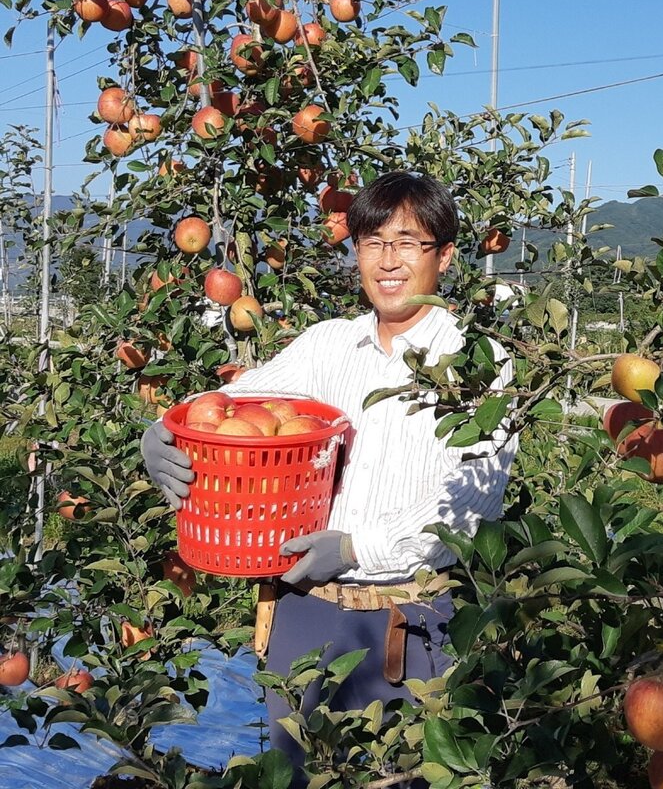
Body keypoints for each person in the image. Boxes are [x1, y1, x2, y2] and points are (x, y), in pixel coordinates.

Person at [141, 171, 518, 787]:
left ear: (444, 256)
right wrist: (169, 428)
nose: (388, 260)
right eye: (372, 241)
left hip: (411, 625)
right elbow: (237, 404)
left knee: (402, 775)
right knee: (292, 774)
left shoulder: (482, 364)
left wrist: (353, 547)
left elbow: (473, 501)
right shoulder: (328, 346)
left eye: (408, 242)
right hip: (304, 614)